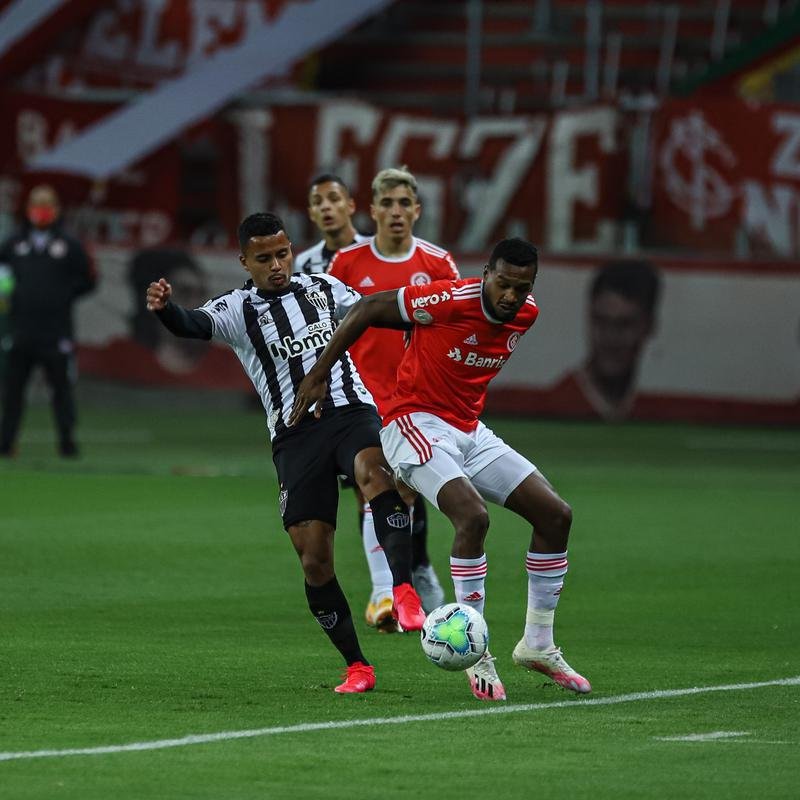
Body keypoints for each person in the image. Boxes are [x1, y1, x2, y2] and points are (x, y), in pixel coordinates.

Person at [290, 237, 592, 702]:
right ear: (486, 274)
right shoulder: (449, 299)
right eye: (503, 284)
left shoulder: (527, 314)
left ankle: (538, 644)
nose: (510, 296)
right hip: (411, 422)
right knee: (472, 517)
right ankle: (478, 652)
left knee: (556, 515)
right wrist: (320, 372)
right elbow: (369, 308)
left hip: (469, 431)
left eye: (522, 286)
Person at [145, 212, 427, 694]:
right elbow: (192, 325)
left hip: (349, 411)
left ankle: (402, 589)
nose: (276, 264)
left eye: (282, 253)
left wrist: (418, 319)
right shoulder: (236, 309)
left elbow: (372, 311)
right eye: (263, 258)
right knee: (314, 559)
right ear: (244, 261)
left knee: (375, 474)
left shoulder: (324, 288)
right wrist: (167, 309)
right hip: (294, 436)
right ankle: (357, 666)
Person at [329, 166, 459, 624]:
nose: (397, 212)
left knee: (409, 488)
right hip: (361, 397)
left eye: (405, 203)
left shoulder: (438, 264)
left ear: (417, 210)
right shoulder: (347, 263)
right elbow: (332, 327)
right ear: (373, 210)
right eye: (387, 204)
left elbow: (455, 329)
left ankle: (414, 574)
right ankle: (387, 593)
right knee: (378, 491)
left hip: (416, 398)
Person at [0, 184, 96, 457]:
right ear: (28, 208)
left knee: (61, 390)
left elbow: (88, 280)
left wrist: (62, 295)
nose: (40, 211)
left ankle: (67, 442)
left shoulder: (69, 245)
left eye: (46, 205)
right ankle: (6, 442)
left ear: (55, 209)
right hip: (21, 330)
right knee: (13, 391)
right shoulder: (14, 243)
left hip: (56, 331)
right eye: (35, 204)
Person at [546, 260, 661, 421]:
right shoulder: (553, 403)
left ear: (648, 326)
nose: (611, 337)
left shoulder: (657, 408)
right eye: (601, 322)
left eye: (624, 325)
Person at [294, 173, 370, 275]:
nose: (325, 207)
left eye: (334, 199)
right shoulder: (304, 262)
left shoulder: (374, 248)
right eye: (317, 202)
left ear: (351, 206)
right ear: (311, 214)